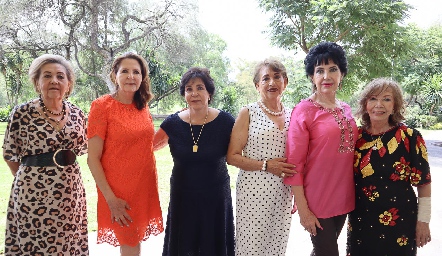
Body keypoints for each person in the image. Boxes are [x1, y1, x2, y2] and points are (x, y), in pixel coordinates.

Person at [2, 54, 88, 255]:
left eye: (60, 76)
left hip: (70, 191)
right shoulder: (22, 113)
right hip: (32, 193)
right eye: (47, 76)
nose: (54, 81)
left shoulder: (77, 113)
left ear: (68, 83)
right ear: (37, 82)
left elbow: (83, 149)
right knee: (34, 244)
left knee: (68, 242)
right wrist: (30, 177)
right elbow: (9, 153)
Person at [283, 42, 357, 256]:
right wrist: (303, 210)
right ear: (311, 77)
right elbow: (294, 164)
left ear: (341, 74)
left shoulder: (346, 109)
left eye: (333, 69)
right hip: (317, 200)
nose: (327, 76)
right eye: (320, 71)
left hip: (344, 196)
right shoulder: (303, 111)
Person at [87, 52, 163, 255]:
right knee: (129, 243)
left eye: (136, 72)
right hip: (118, 191)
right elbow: (92, 158)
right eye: (125, 71)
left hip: (144, 186)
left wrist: (175, 129)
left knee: (135, 242)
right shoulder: (102, 106)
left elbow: (146, 143)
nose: (131, 76)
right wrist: (111, 199)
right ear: (114, 75)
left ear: (142, 77)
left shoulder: (142, 106)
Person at [153, 67, 235, 256]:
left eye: (200, 88)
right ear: (184, 94)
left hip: (215, 197)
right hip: (183, 196)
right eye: (189, 89)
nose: (194, 93)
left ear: (209, 93)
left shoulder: (226, 122)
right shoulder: (172, 124)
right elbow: (150, 147)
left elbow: (241, 151)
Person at [346, 78, 432, 255]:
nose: (379, 105)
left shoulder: (410, 137)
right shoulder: (356, 136)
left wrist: (423, 221)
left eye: (386, 99)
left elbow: (423, 183)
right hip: (361, 219)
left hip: (400, 221)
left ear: (395, 105)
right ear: (365, 104)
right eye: (373, 99)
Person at [226, 58, 296, 255]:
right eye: (265, 79)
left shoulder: (294, 115)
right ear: (257, 85)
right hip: (254, 189)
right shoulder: (248, 112)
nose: (272, 82)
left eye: (277, 77)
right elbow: (232, 156)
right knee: (251, 245)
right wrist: (266, 165)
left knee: (277, 243)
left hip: (283, 191)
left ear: (285, 82)